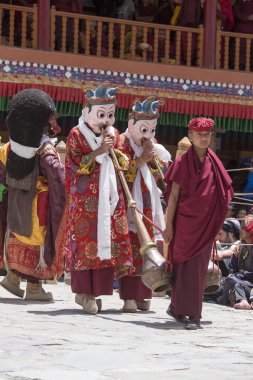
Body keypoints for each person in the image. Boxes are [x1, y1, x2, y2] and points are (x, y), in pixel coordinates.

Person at [61, 84, 133, 315]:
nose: (105, 120)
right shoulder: (76, 134)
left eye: (109, 115)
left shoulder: (114, 135)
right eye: (101, 115)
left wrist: (113, 149)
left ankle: (98, 291)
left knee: (108, 241)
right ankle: (84, 293)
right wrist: (99, 150)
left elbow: (124, 164)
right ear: (87, 111)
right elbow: (73, 165)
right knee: (85, 243)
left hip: (110, 196)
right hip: (85, 200)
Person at [163, 117, 233, 330]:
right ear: (190, 136)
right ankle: (177, 307)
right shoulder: (182, 163)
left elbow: (224, 192)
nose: (204, 138)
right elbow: (173, 196)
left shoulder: (215, 163)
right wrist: (169, 226)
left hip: (205, 225)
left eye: (207, 135)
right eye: (199, 135)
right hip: (184, 224)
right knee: (182, 267)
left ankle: (193, 314)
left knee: (197, 270)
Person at [0, 89, 65, 301]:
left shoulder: (9, 148)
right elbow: (57, 176)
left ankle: (12, 277)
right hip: (39, 203)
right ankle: (35, 287)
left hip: (16, 200)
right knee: (36, 238)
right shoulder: (44, 148)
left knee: (16, 233)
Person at [116, 96, 171, 312]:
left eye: (152, 129)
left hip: (149, 201)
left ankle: (144, 294)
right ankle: (128, 297)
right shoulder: (121, 141)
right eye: (144, 129)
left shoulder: (152, 144)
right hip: (129, 201)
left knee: (149, 248)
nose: (148, 135)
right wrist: (141, 161)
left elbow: (159, 174)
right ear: (132, 123)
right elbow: (118, 172)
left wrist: (156, 161)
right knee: (132, 249)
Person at [217, 214, 253, 309]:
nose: (240, 230)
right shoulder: (239, 246)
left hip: (249, 284)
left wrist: (240, 275)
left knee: (237, 284)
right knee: (220, 284)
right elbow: (231, 269)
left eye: (243, 227)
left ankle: (241, 300)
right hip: (237, 279)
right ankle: (239, 299)